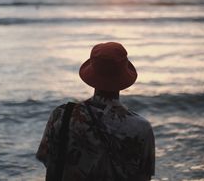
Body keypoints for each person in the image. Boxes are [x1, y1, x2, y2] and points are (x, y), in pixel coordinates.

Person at [36, 42, 155, 181]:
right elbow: (144, 177)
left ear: (91, 73)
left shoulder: (62, 114)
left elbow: (47, 159)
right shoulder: (141, 128)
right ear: (123, 75)